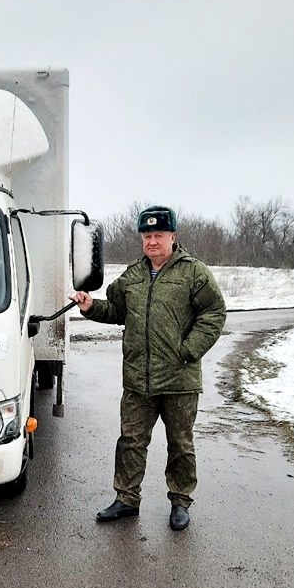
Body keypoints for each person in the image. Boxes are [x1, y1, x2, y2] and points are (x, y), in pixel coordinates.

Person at [71, 205, 226, 531]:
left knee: (180, 444)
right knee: (130, 441)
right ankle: (126, 499)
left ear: (173, 236)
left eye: (159, 235)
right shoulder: (133, 275)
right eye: (147, 235)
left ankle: (180, 502)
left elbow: (214, 314)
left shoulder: (193, 273)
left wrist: (188, 351)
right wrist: (90, 306)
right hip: (138, 380)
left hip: (179, 380)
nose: (152, 241)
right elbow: (115, 310)